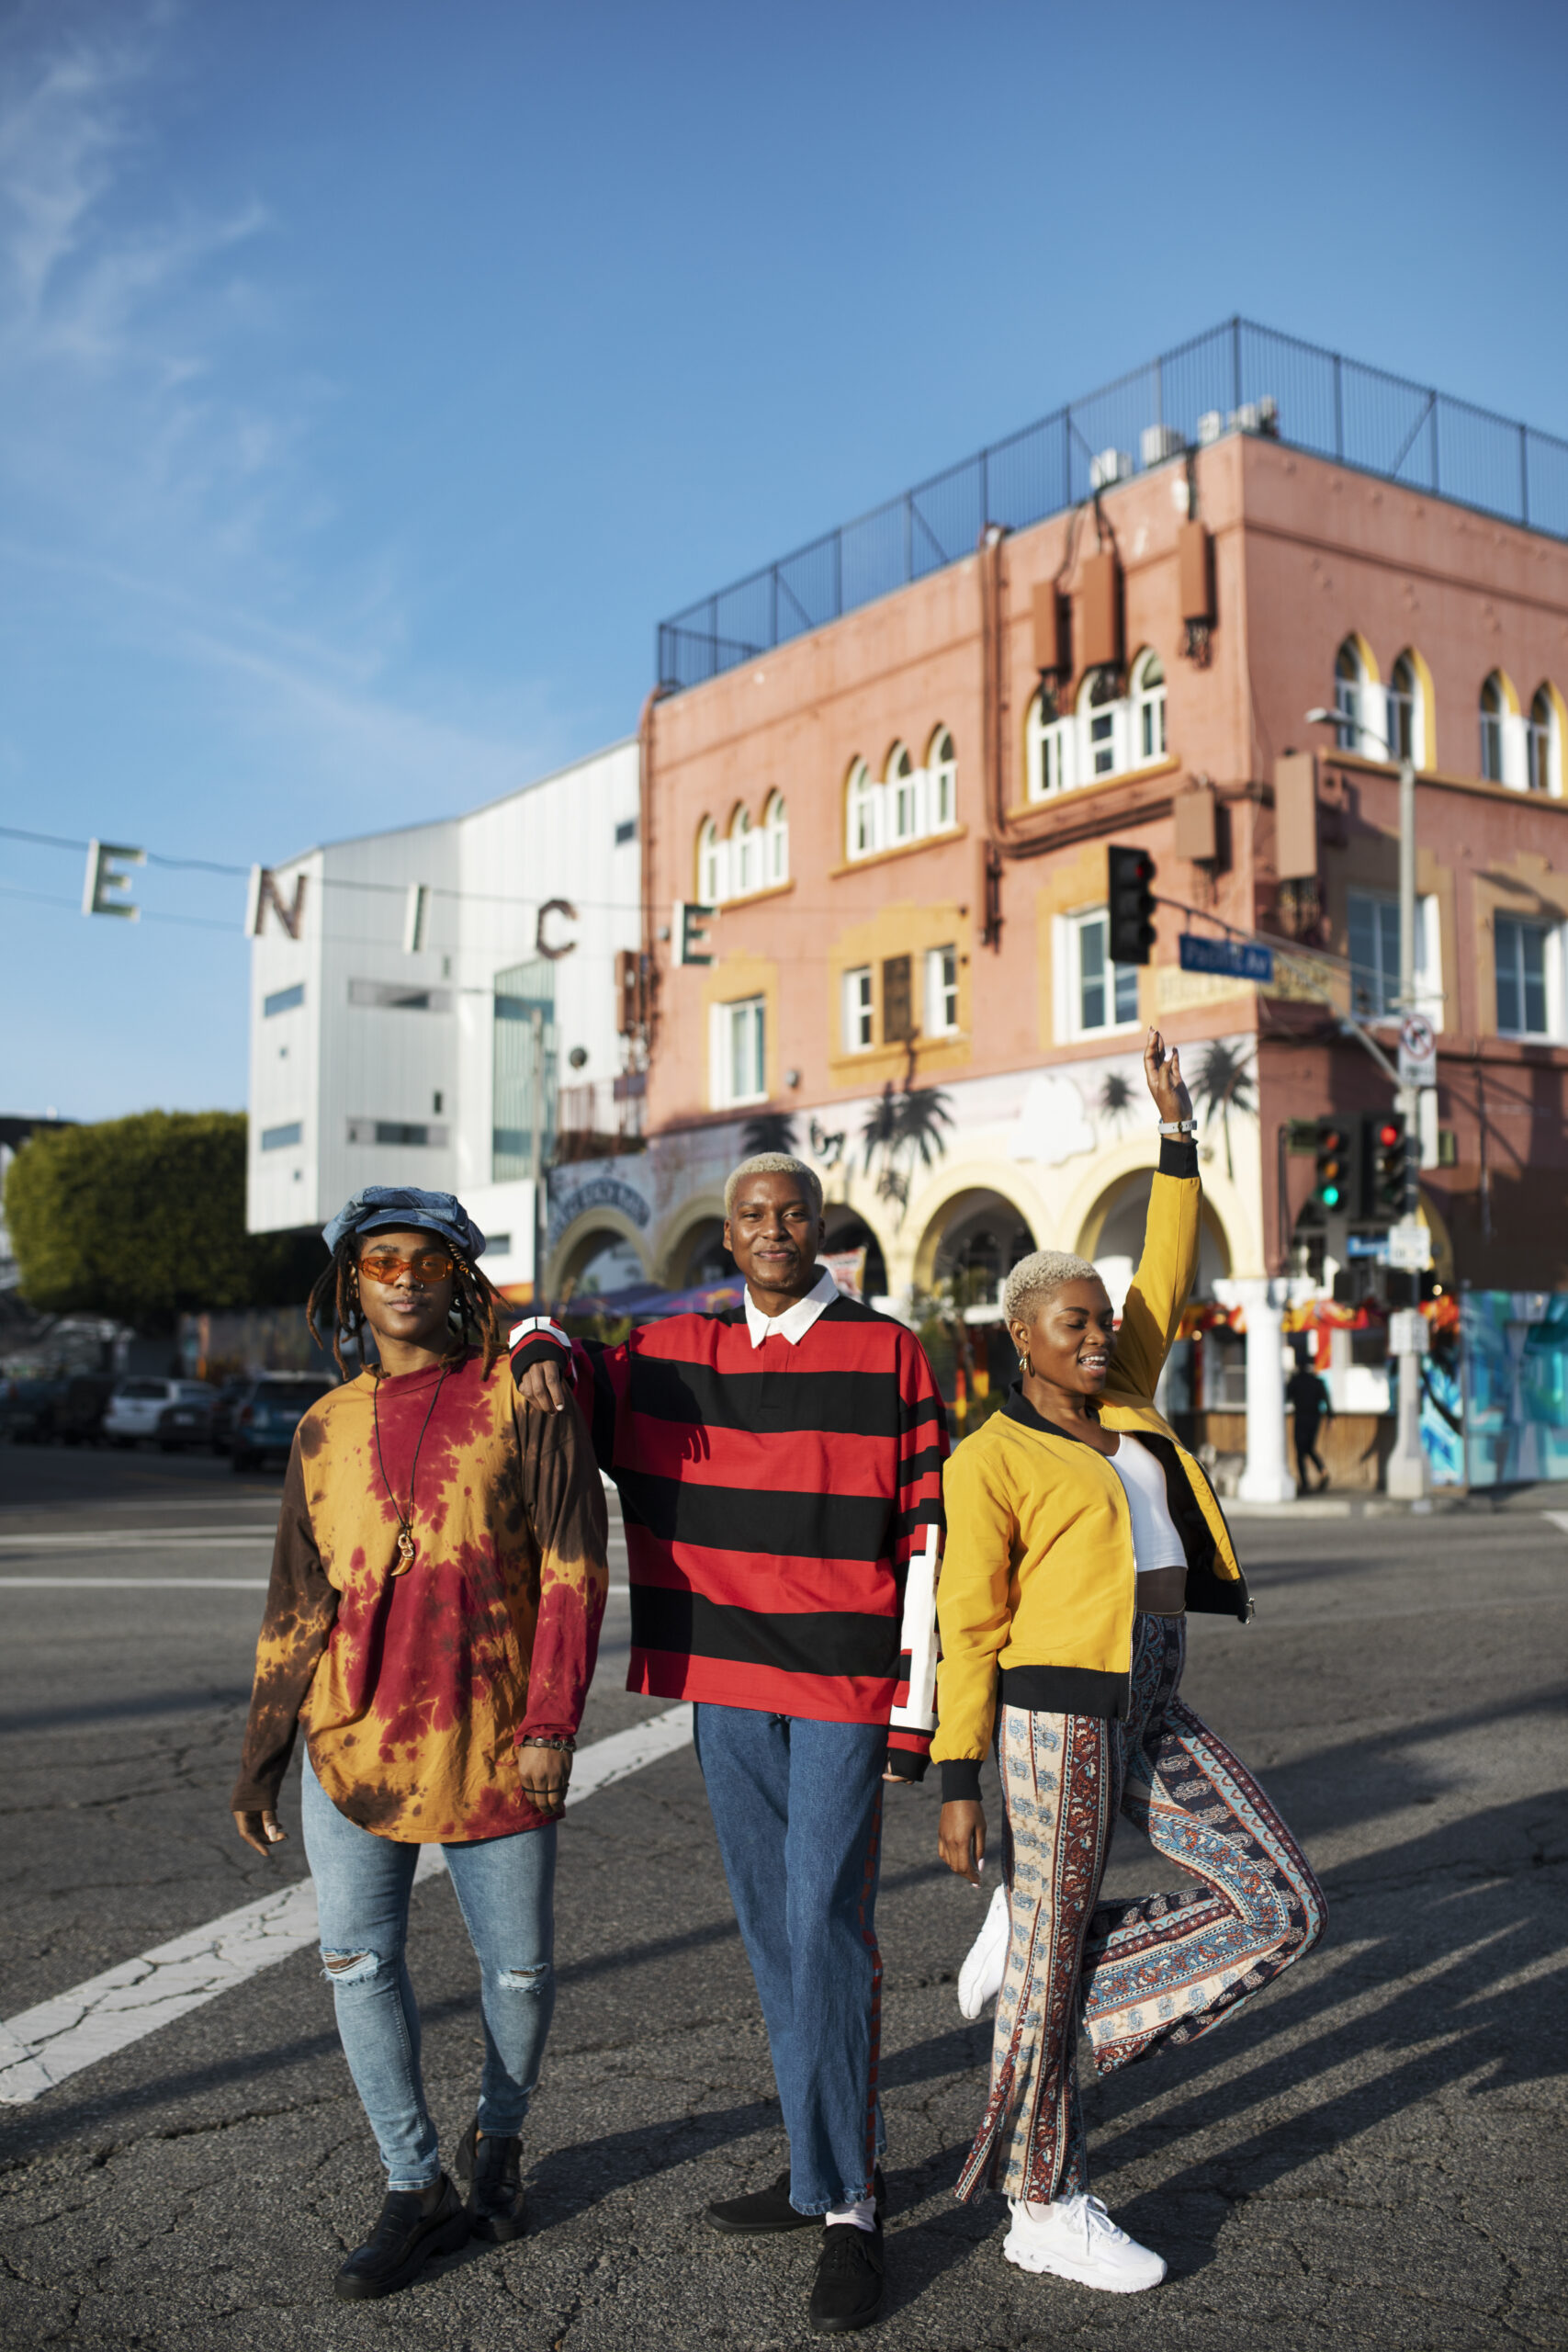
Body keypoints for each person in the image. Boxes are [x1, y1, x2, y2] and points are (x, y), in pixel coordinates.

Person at [512, 1154, 945, 2336]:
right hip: (722, 1681)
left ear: (820, 1226)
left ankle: (856, 2202)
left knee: (824, 1921)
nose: (771, 1228)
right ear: (731, 1234)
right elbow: (557, 1344)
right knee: (769, 1931)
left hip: (845, 1685)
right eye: (752, 1214)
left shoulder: (890, 1352)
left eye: (791, 1212)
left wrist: (917, 1712)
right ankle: (814, 2169)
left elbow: (929, 1538)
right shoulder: (674, 1356)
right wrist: (541, 1347)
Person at [934, 1033, 1326, 2294]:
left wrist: (1173, 1138)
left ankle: (1058, 2001)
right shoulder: (988, 1455)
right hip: (1053, 1718)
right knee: (1045, 1971)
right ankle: (1041, 2202)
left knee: (1276, 1902)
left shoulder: (1125, 1403)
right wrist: (956, 1779)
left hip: (1151, 1694)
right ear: (1021, 1339)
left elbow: (1161, 1260)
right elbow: (965, 1625)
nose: (1101, 1335)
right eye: (1074, 1323)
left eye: (1105, 1321)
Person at [231, 1185, 608, 2303]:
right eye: (380, 1259)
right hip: (348, 1743)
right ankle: (413, 2180)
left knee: (523, 1971)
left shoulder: (521, 1394)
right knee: (357, 1963)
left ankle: (499, 2143)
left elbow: (576, 1566)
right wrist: (259, 1757)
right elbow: (296, 1602)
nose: (402, 1276)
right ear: (352, 1281)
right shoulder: (323, 1425)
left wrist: (552, 1721)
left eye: (427, 1260)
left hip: (495, 1739)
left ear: (461, 1277)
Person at [1286, 1351, 1334, 1490]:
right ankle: (1322, 1471)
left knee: (1301, 1452)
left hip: (1301, 1418)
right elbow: (1326, 1398)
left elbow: (1285, 1396)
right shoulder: (1317, 1381)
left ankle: (1305, 1482)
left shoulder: (1295, 1381)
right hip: (1315, 1418)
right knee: (1309, 1448)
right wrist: (1331, 1416)